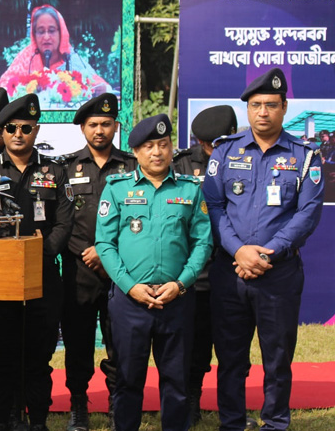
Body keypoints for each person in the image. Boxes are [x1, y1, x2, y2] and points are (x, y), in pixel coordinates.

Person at [203, 68, 325, 431]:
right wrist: (239, 251)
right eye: (256, 105)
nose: (263, 112)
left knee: (277, 359)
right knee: (230, 359)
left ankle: (275, 423)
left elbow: (308, 213)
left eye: (271, 105)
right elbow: (214, 207)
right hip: (230, 272)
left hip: (279, 274)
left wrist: (266, 254)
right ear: (248, 109)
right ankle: (232, 423)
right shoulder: (225, 151)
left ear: (284, 107)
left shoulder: (305, 156)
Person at [96, 114, 212, 431]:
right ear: (135, 152)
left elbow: (203, 242)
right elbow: (105, 244)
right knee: (128, 378)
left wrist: (181, 283)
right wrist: (130, 286)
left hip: (176, 300)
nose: (157, 152)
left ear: (172, 147)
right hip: (130, 301)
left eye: (163, 144)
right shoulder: (117, 189)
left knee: (177, 380)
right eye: (149, 146)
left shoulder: (190, 189)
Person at [0, 94, 72, 431]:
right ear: (2, 132)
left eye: (26, 128)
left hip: (43, 275)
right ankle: (2, 420)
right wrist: (6, 252)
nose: (18, 134)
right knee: (2, 355)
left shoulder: (55, 171)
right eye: (11, 128)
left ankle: (37, 421)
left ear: (36, 130)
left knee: (38, 355)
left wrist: (40, 252)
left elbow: (64, 222)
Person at [58, 93, 137, 431]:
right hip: (80, 272)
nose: (100, 130)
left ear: (116, 126)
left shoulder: (132, 167)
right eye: (93, 125)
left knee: (121, 344)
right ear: (83, 128)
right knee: (78, 344)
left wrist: (108, 254)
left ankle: (118, 405)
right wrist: (90, 253)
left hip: (123, 271)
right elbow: (63, 221)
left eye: (106, 124)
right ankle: (79, 406)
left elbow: (139, 220)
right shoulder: (65, 168)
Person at [172, 104, 239, 427]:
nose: (213, 149)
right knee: (194, 345)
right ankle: (191, 399)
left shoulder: (246, 160)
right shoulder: (181, 165)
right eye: (207, 144)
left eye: (219, 143)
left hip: (234, 268)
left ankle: (234, 407)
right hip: (195, 273)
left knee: (233, 346)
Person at [0, 5, 110, 107]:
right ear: (34, 35)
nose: (46, 37)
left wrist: (100, 89)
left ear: (61, 33)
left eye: (51, 31)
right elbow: (4, 87)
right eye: (41, 32)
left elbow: (100, 85)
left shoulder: (70, 57)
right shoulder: (27, 56)